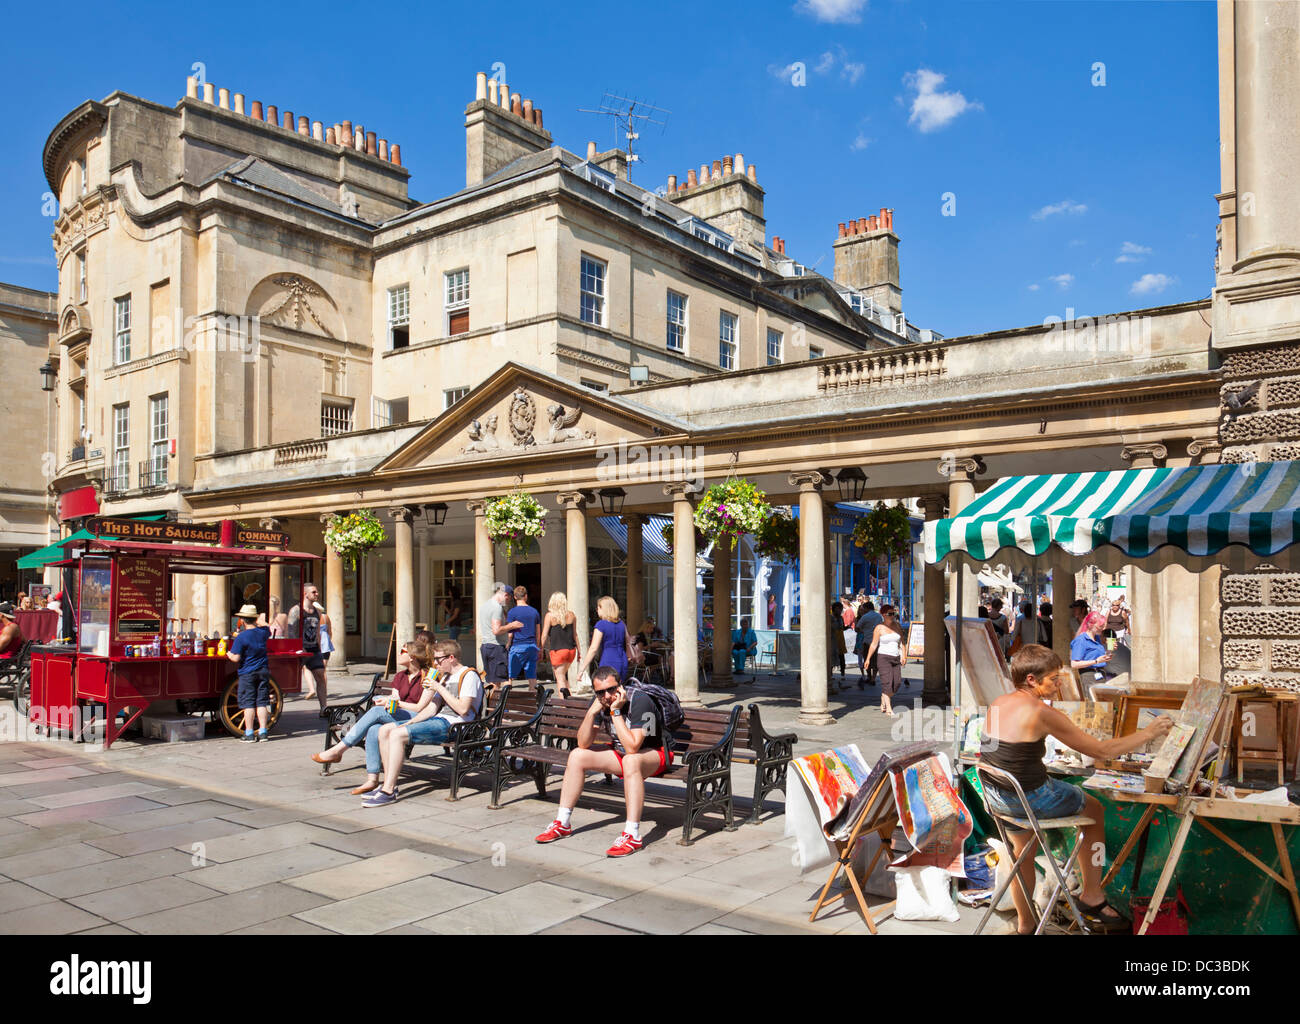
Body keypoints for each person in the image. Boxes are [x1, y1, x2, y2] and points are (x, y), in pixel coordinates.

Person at [982, 644, 1173, 933]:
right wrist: (1148, 733)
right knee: (1094, 809)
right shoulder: (1040, 712)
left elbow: (991, 752)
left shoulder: (997, 703)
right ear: (1032, 680)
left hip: (998, 796)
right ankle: (1092, 894)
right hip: (1029, 797)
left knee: (1024, 851)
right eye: (1054, 678)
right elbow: (1101, 750)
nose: (1059, 685)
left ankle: (1026, 926)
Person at [534, 665, 672, 857]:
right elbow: (583, 742)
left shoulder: (640, 701)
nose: (607, 696)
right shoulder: (600, 701)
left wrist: (615, 713)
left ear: (620, 686)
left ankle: (632, 834)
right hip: (621, 754)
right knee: (577, 755)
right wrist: (591, 713)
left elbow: (633, 746)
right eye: (600, 692)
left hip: (655, 755)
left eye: (611, 689)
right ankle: (562, 822)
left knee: (631, 760)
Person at [364, 639, 484, 806]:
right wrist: (410, 722)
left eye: (438, 659)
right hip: (438, 720)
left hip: (457, 725)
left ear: (451, 658)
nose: (435, 663)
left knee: (397, 735)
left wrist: (438, 687)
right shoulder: (445, 678)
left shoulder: (468, 675)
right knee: (385, 730)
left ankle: (389, 791)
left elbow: (463, 709)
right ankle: (387, 784)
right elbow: (431, 709)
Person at [312, 637, 434, 792]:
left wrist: (394, 704)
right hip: (399, 714)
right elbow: (395, 698)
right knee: (373, 729)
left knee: (376, 712)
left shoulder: (429, 676)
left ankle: (339, 750)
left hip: (418, 718)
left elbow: (419, 708)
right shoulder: (400, 676)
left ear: (412, 657)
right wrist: (387, 701)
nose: (399, 654)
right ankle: (372, 779)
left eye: (402, 651)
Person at [227, 603, 272, 742]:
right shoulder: (263, 633)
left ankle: (249, 733)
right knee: (262, 702)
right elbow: (266, 626)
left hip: (248, 672)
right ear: (254, 618)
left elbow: (235, 658)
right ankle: (263, 732)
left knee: (248, 703)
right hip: (263, 670)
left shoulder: (241, 637)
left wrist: (228, 653)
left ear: (243, 620)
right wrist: (258, 618)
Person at [288, 583, 328, 713]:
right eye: (314, 592)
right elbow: (291, 631)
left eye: (316, 592)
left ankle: (323, 707)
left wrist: (320, 650)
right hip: (301, 649)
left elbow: (317, 632)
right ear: (305, 594)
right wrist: (298, 647)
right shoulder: (296, 610)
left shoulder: (317, 611)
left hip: (314, 649)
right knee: (287, 679)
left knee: (321, 676)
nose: (317, 594)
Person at [577, 596, 634, 685]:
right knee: (619, 688)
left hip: (608, 659)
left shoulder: (601, 624)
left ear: (604, 609)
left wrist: (582, 669)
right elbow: (628, 641)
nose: (597, 610)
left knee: (605, 690)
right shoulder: (621, 623)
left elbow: (593, 649)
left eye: (598, 607)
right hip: (622, 660)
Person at [865, 605, 907, 716]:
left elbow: (903, 642)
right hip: (883, 657)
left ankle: (884, 696)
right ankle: (889, 708)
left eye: (894, 614)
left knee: (897, 683)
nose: (892, 616)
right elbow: (874, 644)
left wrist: (904, 656)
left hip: (895, 657)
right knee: (887, 682)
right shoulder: (879, 628)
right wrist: (868, 658)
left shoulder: (897, 626)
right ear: (883, 615)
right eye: (890, 614)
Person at [541, 591, 578, 693]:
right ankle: (568, 699)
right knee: (563, 677)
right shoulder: (572, 615)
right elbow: (575, 634)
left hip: (558, 651)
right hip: (571, 650)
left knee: (560, 678)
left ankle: (564, 704)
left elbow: (544, 635)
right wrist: (579, 651)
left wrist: (541, 649)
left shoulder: (550, 616)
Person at [504, 585, 541, 683]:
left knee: (510, 674)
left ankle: (508, 691)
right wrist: (538, 645)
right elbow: (538, 632)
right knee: (532, 674)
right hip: (532, 645)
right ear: (526, 596)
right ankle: (532, 692)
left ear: (515, 597)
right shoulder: (534, 612)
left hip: (517, 645)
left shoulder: (512, 612)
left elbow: (510, 632)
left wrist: (508, 643)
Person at [478, 581, 511, 686]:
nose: (508, 602)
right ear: (505, 595)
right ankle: (496, 702)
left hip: (486, 646)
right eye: (508, 599)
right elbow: (496, 630)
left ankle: (490, 702)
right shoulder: (497, 607)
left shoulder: (485, 605)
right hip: (496, 647)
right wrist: (512, 625)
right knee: (497, 682)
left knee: (491, 681)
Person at [854, 601, 882, 688]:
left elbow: (857, 628)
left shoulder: (865, 617)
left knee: (867, 660)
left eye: (864, 608)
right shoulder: (879, 616)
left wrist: (863, 631)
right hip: (877, 641)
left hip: (867, 641)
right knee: (876, 661)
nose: (863, 610)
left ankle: (869, 677)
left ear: (867, 608)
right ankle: (873, 678)